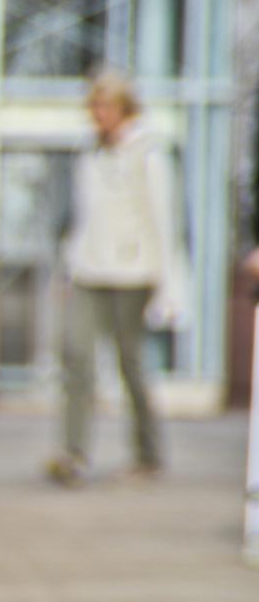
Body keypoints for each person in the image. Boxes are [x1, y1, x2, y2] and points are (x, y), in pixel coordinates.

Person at [46, 69, 186, 487]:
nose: (97, 115)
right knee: (76, 356)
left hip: (133, 273)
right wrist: (66, 270)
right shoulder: (89, 154)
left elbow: (164, 221)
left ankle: (149, 453)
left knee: (131, 364)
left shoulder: (149, 154)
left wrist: (169, 285)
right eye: (93, 107)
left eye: (104, 106)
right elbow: (81, 218)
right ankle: (74, 454)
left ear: (123, 108)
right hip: (90, 270)